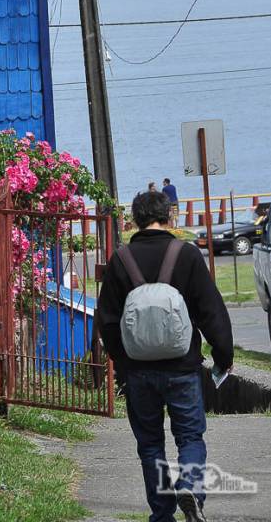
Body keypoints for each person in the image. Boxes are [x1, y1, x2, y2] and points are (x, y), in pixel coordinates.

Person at [96, 190, 233, 522]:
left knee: (150, 445)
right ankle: (190, 487)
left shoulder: (121, 259)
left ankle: (161, 514)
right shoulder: (185, 255)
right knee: (190, 436)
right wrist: (222, 354)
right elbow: (210, 310)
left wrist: (124, 361)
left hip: (139, 371)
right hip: (182, 368)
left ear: (135, 220)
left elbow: (108, 320)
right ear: (169, 216)